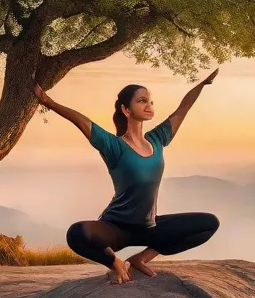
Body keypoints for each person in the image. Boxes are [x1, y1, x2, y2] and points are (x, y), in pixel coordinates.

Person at [32, 68, 221, 284]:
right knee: (76, 233)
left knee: (208, 223)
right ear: (126, 110)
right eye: (142, 101)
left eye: (150, 101)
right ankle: (115, 263)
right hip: (116, 228)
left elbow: (182, 109)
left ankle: (140, 259)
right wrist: (47, 101)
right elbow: (82, 121)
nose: (149, 106)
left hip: (149, 227)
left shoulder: (157, 139)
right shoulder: (114, 146)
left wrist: (202, 85)